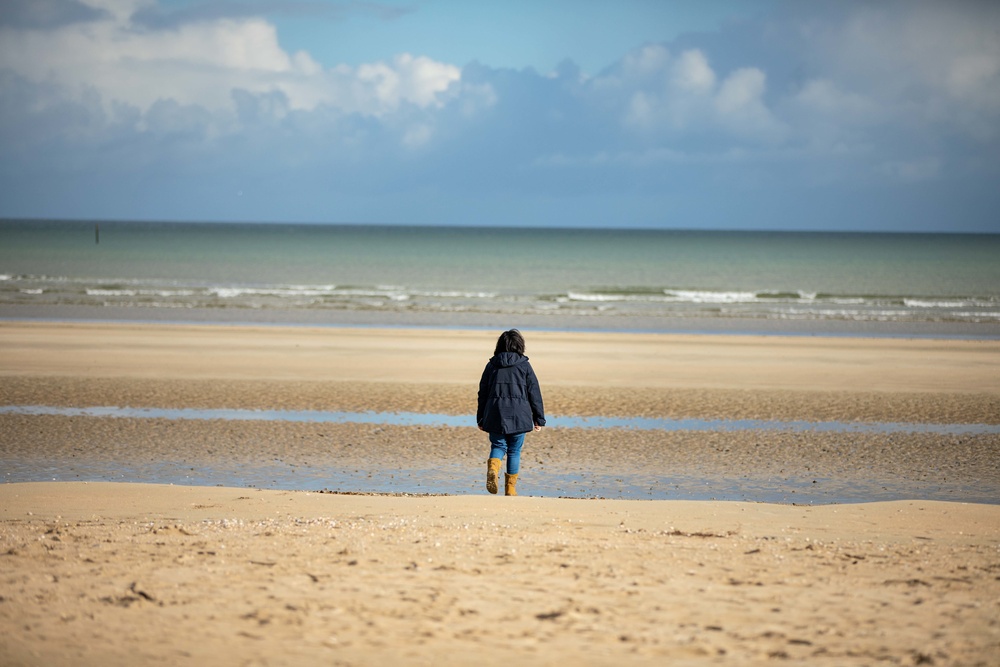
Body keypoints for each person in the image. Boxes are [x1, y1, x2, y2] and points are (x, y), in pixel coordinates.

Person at [477, 329, 545, 496]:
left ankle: (493, 466)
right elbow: (534, 392)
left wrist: (480, 417)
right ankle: (510, 489)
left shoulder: (491, 365)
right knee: (514, 450)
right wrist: (539, 418)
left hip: (494, 413)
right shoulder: (524, 365)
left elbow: (483, 392)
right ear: (520, 345)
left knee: (498, 445)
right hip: (520, 415)